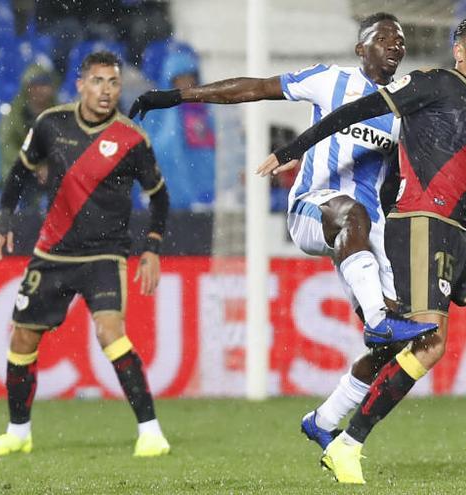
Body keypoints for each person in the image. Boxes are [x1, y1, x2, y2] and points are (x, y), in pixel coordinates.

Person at [127, 12, 437, 451]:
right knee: (351, 217)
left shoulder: (404, 106)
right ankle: (377, 320)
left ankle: (324, 419)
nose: (396, 45)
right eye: (385, 37)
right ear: (360, 47)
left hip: (369, 232)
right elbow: (255, 87)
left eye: (401, 41)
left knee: (393, 348)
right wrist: (178, 96)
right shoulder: (329, 80)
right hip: (314, 208)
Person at [258, 15, 466, 484]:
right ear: (459, 51)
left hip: (458, 234)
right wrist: (298, 145)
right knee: (428, 346)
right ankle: (348, 445)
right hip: (418, 226)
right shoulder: (434, 82)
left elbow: (457, 162)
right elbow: (355, 110)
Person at [0, 51, 171, 458]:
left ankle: (151, 432)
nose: (106, 91)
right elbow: (18, 174)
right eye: (98, 81)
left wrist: (152, 248)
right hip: (52, 253)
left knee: (110, 333)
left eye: (114, 83)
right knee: (21, 337)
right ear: (82, 84)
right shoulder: (51, 124)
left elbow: (159, 197)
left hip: (104, 255)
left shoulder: (131, 139)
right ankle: (18, 432)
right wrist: (3, 224)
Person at [140, 50, 216, 210]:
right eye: (180, 78)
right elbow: (157, 147)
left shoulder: (206, 107)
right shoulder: (159, 110)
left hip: (204, 186)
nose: (186, 82)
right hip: (172, 187)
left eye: (190, 77)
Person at [0, 64, 58, 209]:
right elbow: (7, 148)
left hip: (51, 175)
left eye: (45, 85)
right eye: (36, 85)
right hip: (21, 174)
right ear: (27, 88)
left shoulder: (58, 113)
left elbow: (65, 146)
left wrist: (50, 166)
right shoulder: (15, 114)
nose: (41, 90)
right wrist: (34, 167)